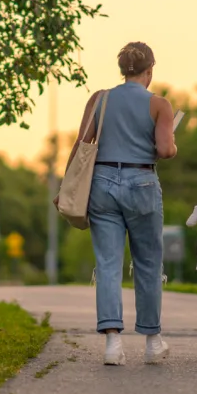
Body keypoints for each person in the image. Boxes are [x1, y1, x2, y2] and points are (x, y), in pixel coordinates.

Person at [61, 42, 177, 366]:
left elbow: (82, 143)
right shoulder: (159, 104)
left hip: (102, 183)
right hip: (142, 183)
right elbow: (166, 150)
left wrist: (66, 185)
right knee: (148, 264)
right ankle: (153, 342)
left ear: (122, 69)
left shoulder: (100, 99)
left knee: (108, 264)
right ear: (150, 71)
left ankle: (113, 344)